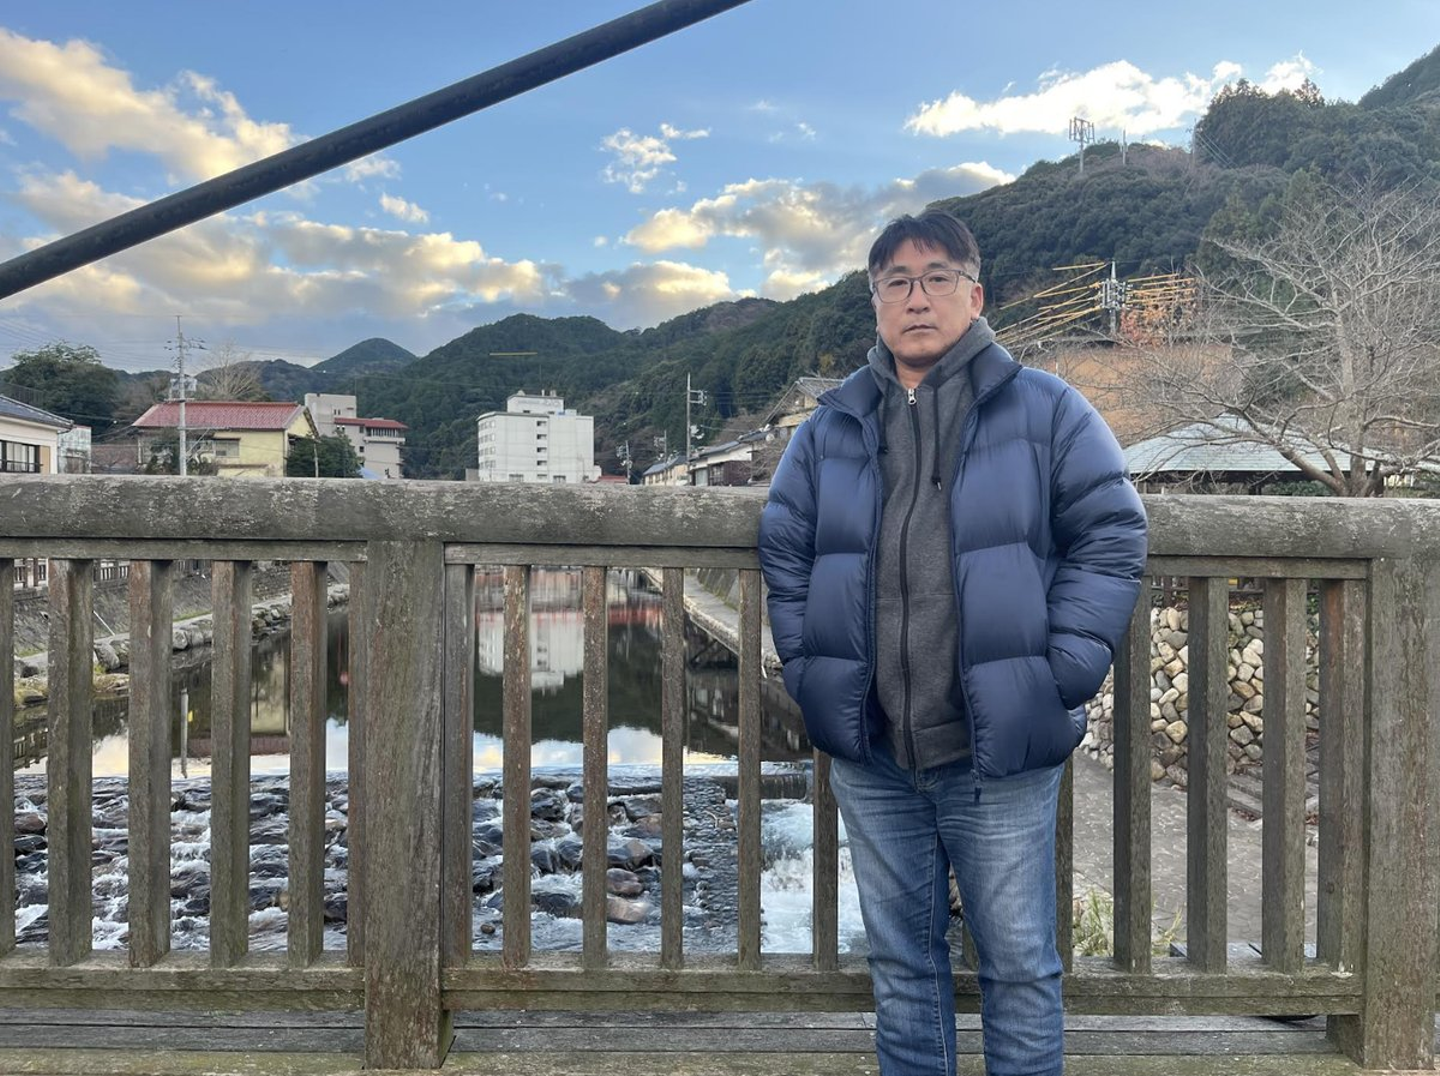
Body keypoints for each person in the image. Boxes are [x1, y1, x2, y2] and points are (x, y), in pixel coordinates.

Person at [758, 210, 1148, 1076]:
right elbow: (784, 547)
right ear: (875, 302)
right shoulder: (829, 427)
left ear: (975, 295)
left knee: (1019, 967)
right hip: (872, 748)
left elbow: (1112, 533)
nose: (917, 298)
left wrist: (1061, 671)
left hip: (996, 745)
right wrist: (810, 668)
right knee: (901, 967)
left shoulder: (1047, 409)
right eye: (895, 282)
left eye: (937, 278)